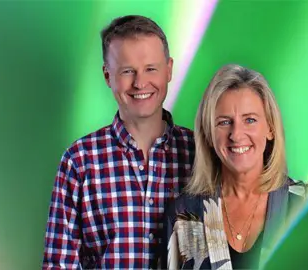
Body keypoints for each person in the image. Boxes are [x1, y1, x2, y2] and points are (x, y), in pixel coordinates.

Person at [42, 15, 195, 269]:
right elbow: (59, 264)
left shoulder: (199, 153)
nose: (140, 83)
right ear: (107, 75)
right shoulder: (79, 162)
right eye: (127, 71)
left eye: (151, 69)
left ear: (169, 69)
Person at [161, 64, 308, 269]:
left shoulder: (306, 206)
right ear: (209, 135)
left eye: (250, 120)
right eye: (224, 122)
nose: (236, 134)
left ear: (270, 129)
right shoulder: (184, 216)